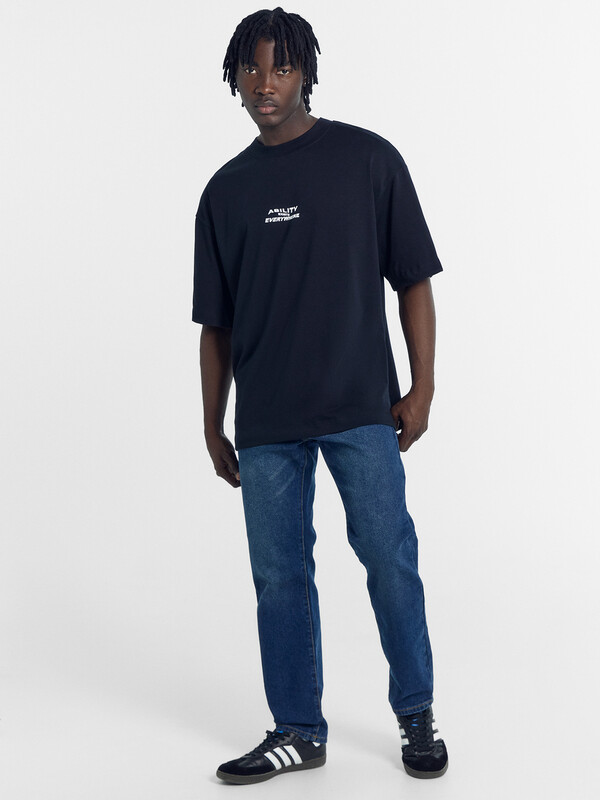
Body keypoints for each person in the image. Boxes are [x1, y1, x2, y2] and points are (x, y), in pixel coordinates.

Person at [192, 6, 449, 785]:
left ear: (305, 72)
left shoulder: (367, 160)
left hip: (360, 407)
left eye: (280, 67)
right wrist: (211, 424)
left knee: (389, 559)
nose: (263, 83)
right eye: (250, 67)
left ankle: (417, 714)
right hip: (267, 422)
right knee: (279, 579)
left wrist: (422, 388)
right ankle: (298, 730)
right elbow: (215, 325)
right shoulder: (225, 192)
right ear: (235, 77)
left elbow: (413, 278)